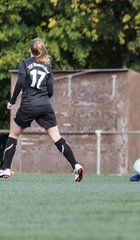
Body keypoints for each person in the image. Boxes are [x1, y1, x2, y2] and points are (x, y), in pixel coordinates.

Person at [0, 38, 84, 182]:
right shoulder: (47, 66)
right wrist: (43, 100)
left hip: (28, 105)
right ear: (41, 50)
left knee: (13, 135)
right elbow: (51, 90)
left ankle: (5, 169)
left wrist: (12, 101)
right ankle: (76, 165)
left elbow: (20, 82)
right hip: (45, 105)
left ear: (30, 50)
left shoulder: (24, 63)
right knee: (57, 138)